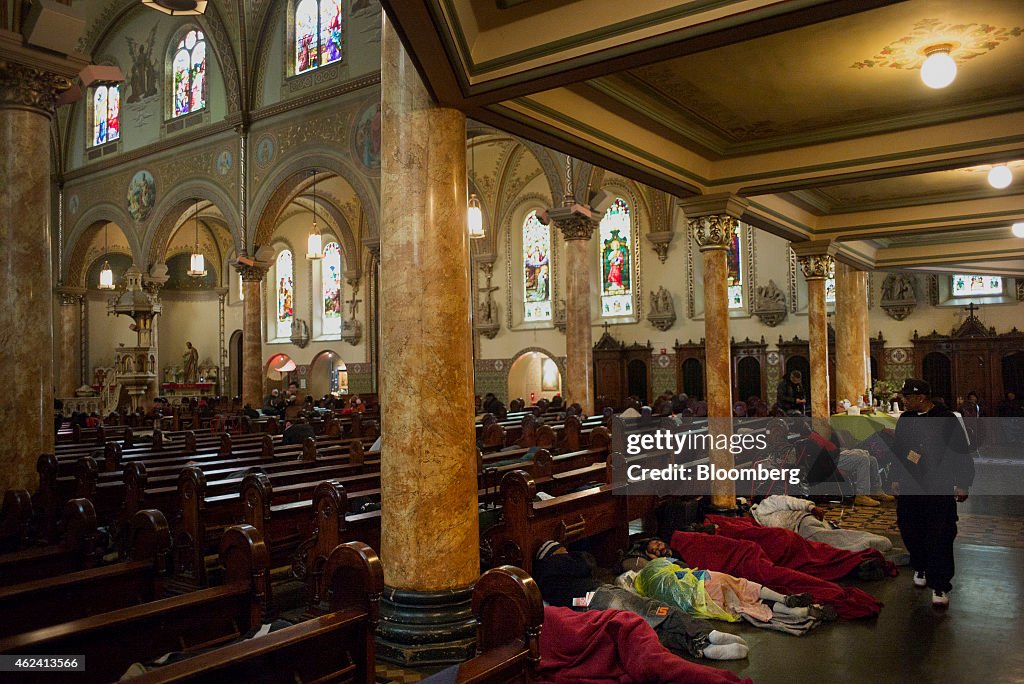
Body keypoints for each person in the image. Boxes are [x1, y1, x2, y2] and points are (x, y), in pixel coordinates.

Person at [533, 541, 751, 660]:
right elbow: (587, 563)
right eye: (563, 550)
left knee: (643, 630)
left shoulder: (546, 582)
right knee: (653, 609)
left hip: (586, 611)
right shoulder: (558, 565)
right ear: (555, 553)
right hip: (599, 595)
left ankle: (701, 647)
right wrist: (569, 554)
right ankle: (706, 633)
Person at [892, 378, 975, 607]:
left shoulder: (946, 419)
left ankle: (940, 584)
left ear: (921, 398)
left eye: (907, 398)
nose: (903, 401)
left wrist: (963, 482)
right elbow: (899, 450)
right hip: (911, 484)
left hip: (938, 483)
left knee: (940, 532)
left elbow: (960, 452)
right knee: (909, 527)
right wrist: (895, 478)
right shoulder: (906, 419)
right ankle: (920, 565)